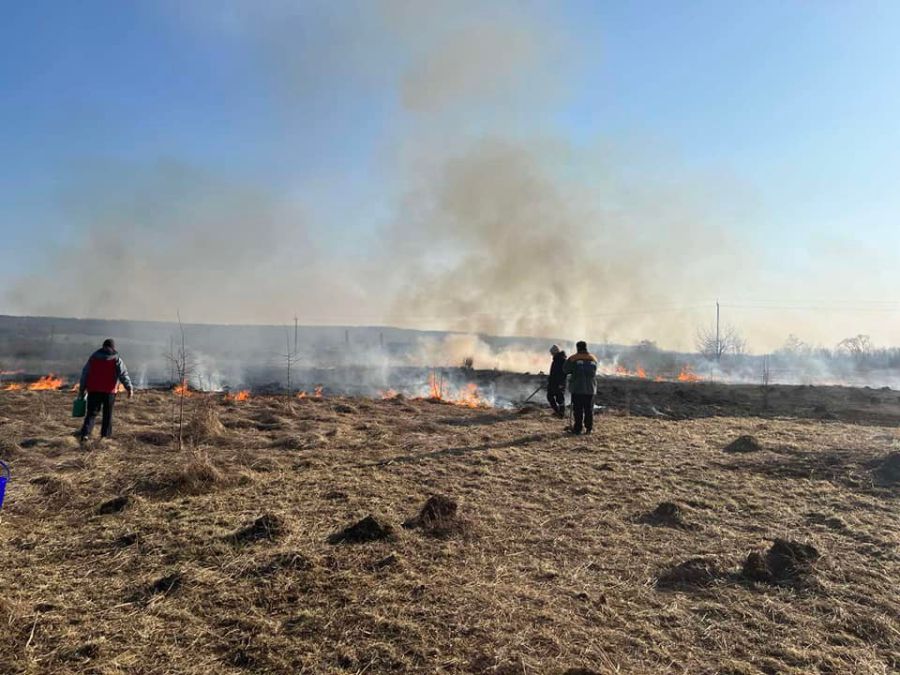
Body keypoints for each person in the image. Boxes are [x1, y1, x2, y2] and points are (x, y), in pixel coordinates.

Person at [78, 338, 133, 444]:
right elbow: (123, 374)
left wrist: (82, 389)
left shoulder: (93, 358)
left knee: (91, 413)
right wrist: (129, 388)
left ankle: (85, 434)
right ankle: (105, 437)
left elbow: (85, 373)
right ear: (113, 347)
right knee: (107, 414)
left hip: (93, 389)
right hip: (109, 391)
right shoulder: (117, 359)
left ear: (102, 346)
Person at [563, 340, 598, 434]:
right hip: (590, 389)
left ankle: (578, 429)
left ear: (577, 347)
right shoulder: (593, 358)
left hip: (577, 388)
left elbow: (565, 369)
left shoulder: (573, 358)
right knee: (588, 409)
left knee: (578, 409)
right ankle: (589, 428)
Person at [547, 344, 567, 417]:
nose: (551, 354)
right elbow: (553, 372)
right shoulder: (555, 360)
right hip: (553, 382)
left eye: (552, 352)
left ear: (555, 352)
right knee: (549, 396)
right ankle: (557, 411)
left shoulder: (563, 360)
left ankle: (561, 413)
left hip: (559, 383)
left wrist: (561, 383)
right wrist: (550, 378)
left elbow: (564, 373)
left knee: (560, 398)